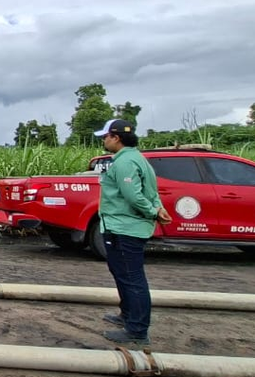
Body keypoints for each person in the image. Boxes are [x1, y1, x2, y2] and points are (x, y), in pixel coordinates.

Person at [94, 119, 172, 346]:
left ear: (116, 138)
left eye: (105, 136)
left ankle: (137, 329)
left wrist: (153, 212)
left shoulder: (125, 163)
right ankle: (127, 315)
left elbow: (133, 196)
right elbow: (151, 191)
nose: (104, 140)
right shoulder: (137, 159)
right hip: (122, 226)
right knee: (121, 272)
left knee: (132, 277)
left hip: (126, 227)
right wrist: (157, 208)